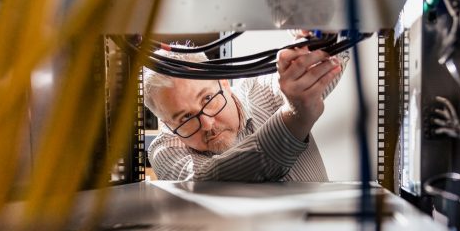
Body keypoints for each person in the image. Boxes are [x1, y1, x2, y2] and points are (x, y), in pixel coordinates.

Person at [144, 37, 348, 182]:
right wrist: (294, 119)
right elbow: (207, 180)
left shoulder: (266, 89)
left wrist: (321, 36)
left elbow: (330, 59)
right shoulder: (165, 151)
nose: (207, 124)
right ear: (167, 124)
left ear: (223, 82)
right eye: (186, 117)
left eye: (207, 98)